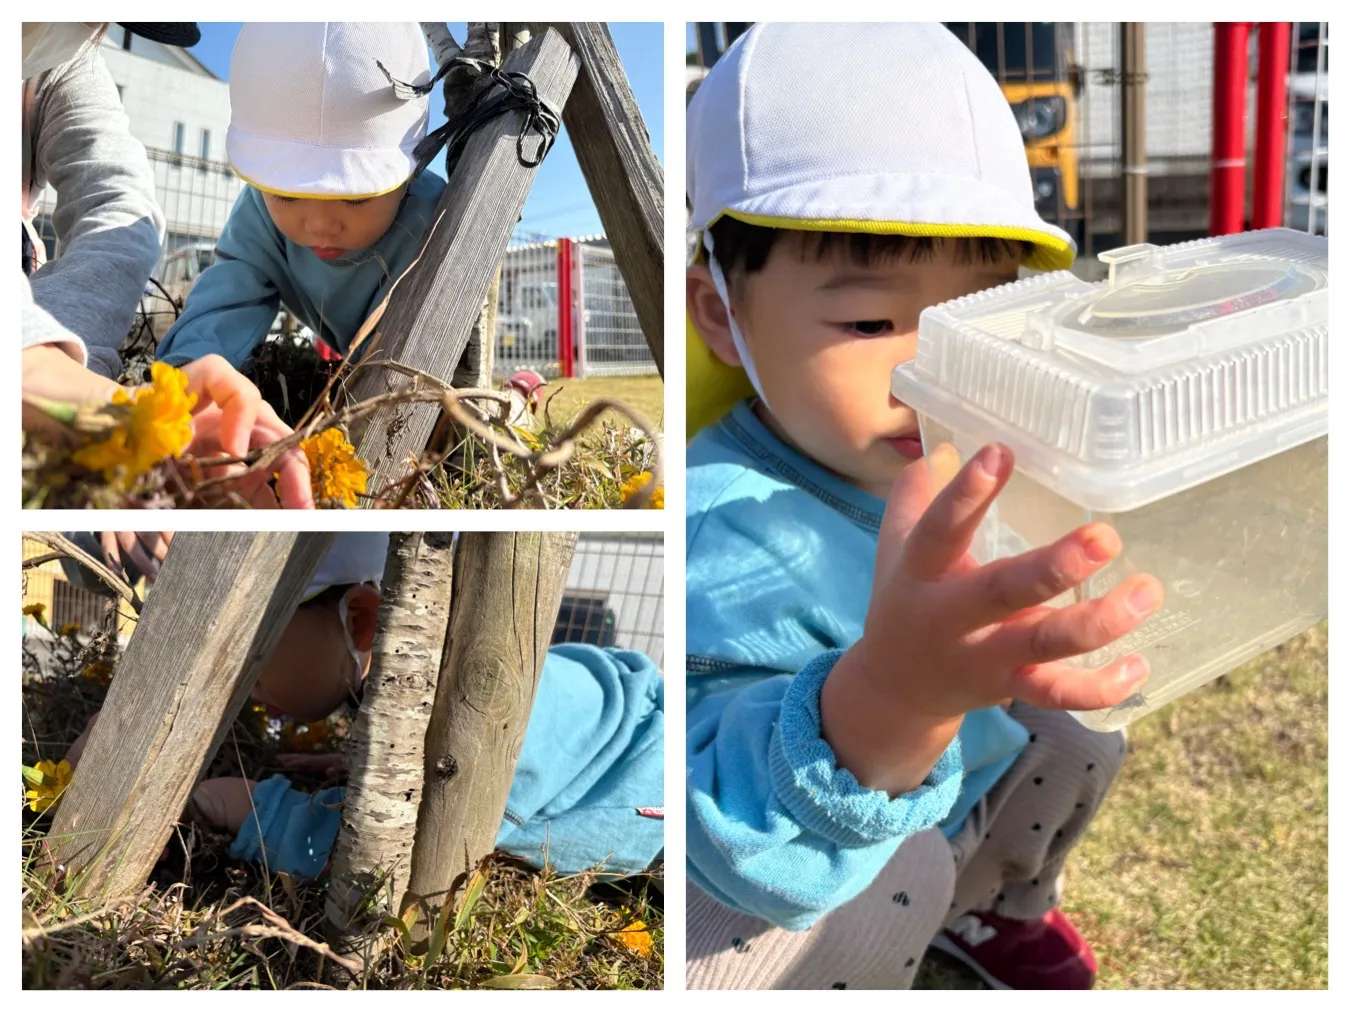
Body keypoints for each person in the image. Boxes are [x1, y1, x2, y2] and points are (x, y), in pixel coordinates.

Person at [683, 23, 1165, 990]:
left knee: (1078, 726)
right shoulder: (730, 535)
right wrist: (896, 695)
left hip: (959, 791)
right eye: (870, 321)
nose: (934, 372)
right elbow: (720, 829)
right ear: (719, 317)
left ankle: (989, 915)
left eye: (976, 315)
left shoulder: (959, 456)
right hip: (785, 852)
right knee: (897, 876)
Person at [65, 533, 664, 883]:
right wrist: (361, 763)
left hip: (657, 781)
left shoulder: (475, 707)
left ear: (362, 617)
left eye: (246, 655)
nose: (234, 686)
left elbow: (412, 852)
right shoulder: (412, 675)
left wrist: (250, 807)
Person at [21, 23, 310, 508]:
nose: (94, 27)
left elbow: (120, 202)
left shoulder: (62, 58)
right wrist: (39, 370)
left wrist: (62, 362)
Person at [156, 22, 446, 371]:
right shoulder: (258, 215)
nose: (320, 224)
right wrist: (195, 365)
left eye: (356, 197)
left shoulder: (435, 220)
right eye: (286, 194)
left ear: (411, 172)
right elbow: (229, 296)